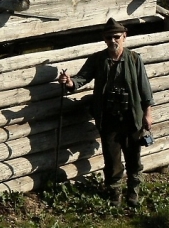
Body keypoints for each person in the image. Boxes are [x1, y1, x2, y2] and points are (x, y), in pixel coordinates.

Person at [58, 18, 154, 207]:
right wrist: (69, 82)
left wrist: (147, 114)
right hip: (108, 118)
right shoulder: (97, 60)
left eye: (116, 37)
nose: (113, 41)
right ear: (104, 39)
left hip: (131, 117)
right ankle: (114, 194)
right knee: (112, 158)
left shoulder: (134, 59)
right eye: (109, 37)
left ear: (124, 37)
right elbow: (80, 79)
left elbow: (145, 90)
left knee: (134, 156)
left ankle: (133, 192)